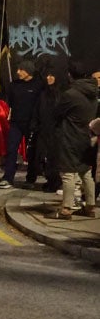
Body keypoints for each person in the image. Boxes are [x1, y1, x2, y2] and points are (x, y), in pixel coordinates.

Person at [52, 60, 99, 219]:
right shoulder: (93, 92)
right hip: (86, 136)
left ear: (70, 75)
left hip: (70, 137)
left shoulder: (70, 94)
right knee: (85, 172)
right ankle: (91, 206)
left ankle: (66, 209)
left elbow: (57, 113)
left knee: (68, 173)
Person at [0, 63, 41, 189]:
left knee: (31, 152)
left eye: (21, 69)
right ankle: (7, 178)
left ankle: (31, 179)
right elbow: (9, 102)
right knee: (11, 150)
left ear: (29, 71)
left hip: (31, 124)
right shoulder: (14, 85)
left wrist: (36, 122)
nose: (18, 72)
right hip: (16, 122)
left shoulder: (38, 86)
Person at [32, 55, 69, 194]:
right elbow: (38, 109)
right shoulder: (44, 93)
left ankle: (55, 182)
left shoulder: (62, 94)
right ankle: (50, 180)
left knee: (54, 158)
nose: (49, 78)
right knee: (43, 157)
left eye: (51, 76)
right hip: (44, 130)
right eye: (47, 76)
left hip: (57, 131)